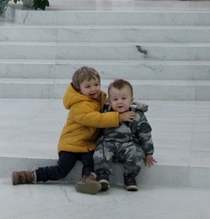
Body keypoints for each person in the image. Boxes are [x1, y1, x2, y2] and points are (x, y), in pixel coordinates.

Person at [11, 66, 136, 194]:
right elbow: (96, 119)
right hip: (71, 144)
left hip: (87, 144)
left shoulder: (97, 98)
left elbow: (113, 101)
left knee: (90, 163)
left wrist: (129, 104)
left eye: (96, 84)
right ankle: (30, 175)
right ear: (79, 89)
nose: (94, 89)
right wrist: (118, 117)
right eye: (88, 86)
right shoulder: (79, 105)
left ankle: (88, 181)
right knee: (62, 170)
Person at [94, 79, 155, 192]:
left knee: (136, 153)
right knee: (100, 151)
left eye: (124, 98)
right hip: (108, 143)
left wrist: (149, 153)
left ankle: (129, 177)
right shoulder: (106, 113)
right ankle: (103, 176)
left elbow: (145, 134)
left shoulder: (137, 115)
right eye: (115, 99)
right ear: (109, 101)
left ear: (131, 100)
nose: (120, 102)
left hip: (128, 145)